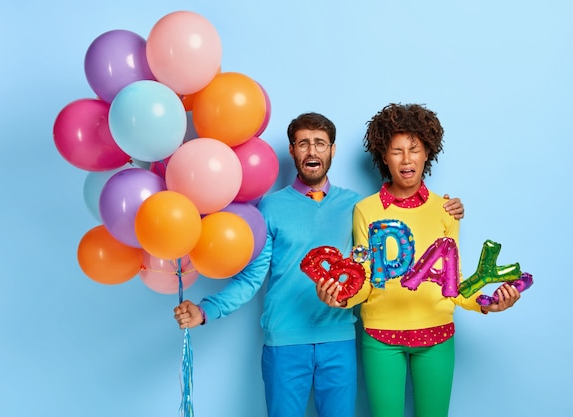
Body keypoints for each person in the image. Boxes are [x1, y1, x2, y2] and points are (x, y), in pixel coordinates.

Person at [173, 112, 465, 417]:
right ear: (292, 150)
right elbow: (251, 278)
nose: (312, 151)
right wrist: (206, 310)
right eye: (303, 144)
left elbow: (397, 239)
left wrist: (445, 207)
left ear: (332, 150)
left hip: (339, 342)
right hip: (284, 344)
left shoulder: (357, 207)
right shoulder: (270, 208)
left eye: (320, 144)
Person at [316, 103, 521, 417]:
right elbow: (366, 277)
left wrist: (486, 302)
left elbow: (454, 283)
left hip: (437, 335)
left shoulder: (447, 210)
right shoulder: (366, 211)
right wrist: (340, 298)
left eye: (415, 149)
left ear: (428, 153)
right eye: (396, 150)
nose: (407, 159)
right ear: (384, 157)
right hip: (381, 339)